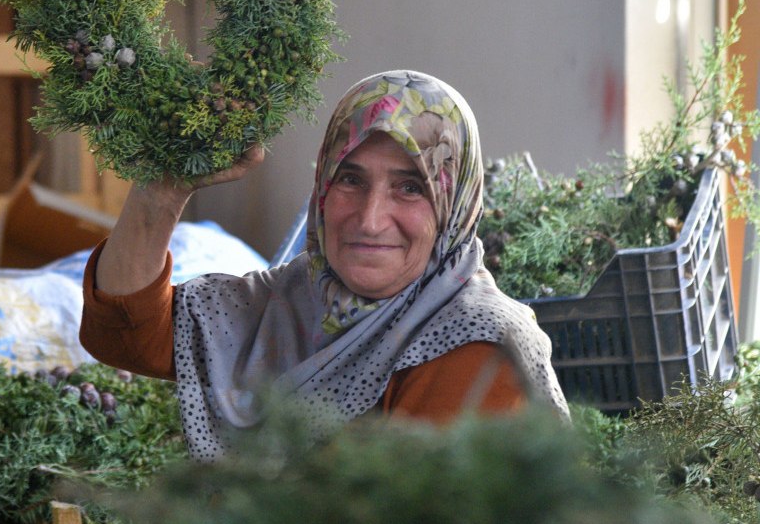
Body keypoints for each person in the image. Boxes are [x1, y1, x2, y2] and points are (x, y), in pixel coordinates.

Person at [80, 70, 569, 460]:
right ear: (322, 188)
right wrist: (160, 192)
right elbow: (126, 332)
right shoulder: (287, 302)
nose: (371, 220)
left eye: (410, 187)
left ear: (455, 206)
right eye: (351, 179)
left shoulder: (476, 345)